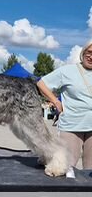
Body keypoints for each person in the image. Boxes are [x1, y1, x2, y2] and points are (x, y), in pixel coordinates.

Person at [37, 40, 92, 169]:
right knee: (66, 167)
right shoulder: (67, 71)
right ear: (83, 53)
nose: (91, 56)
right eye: (89, 52)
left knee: (90, 171)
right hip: (71, 127)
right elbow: (41, 84)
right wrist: (55, 101)